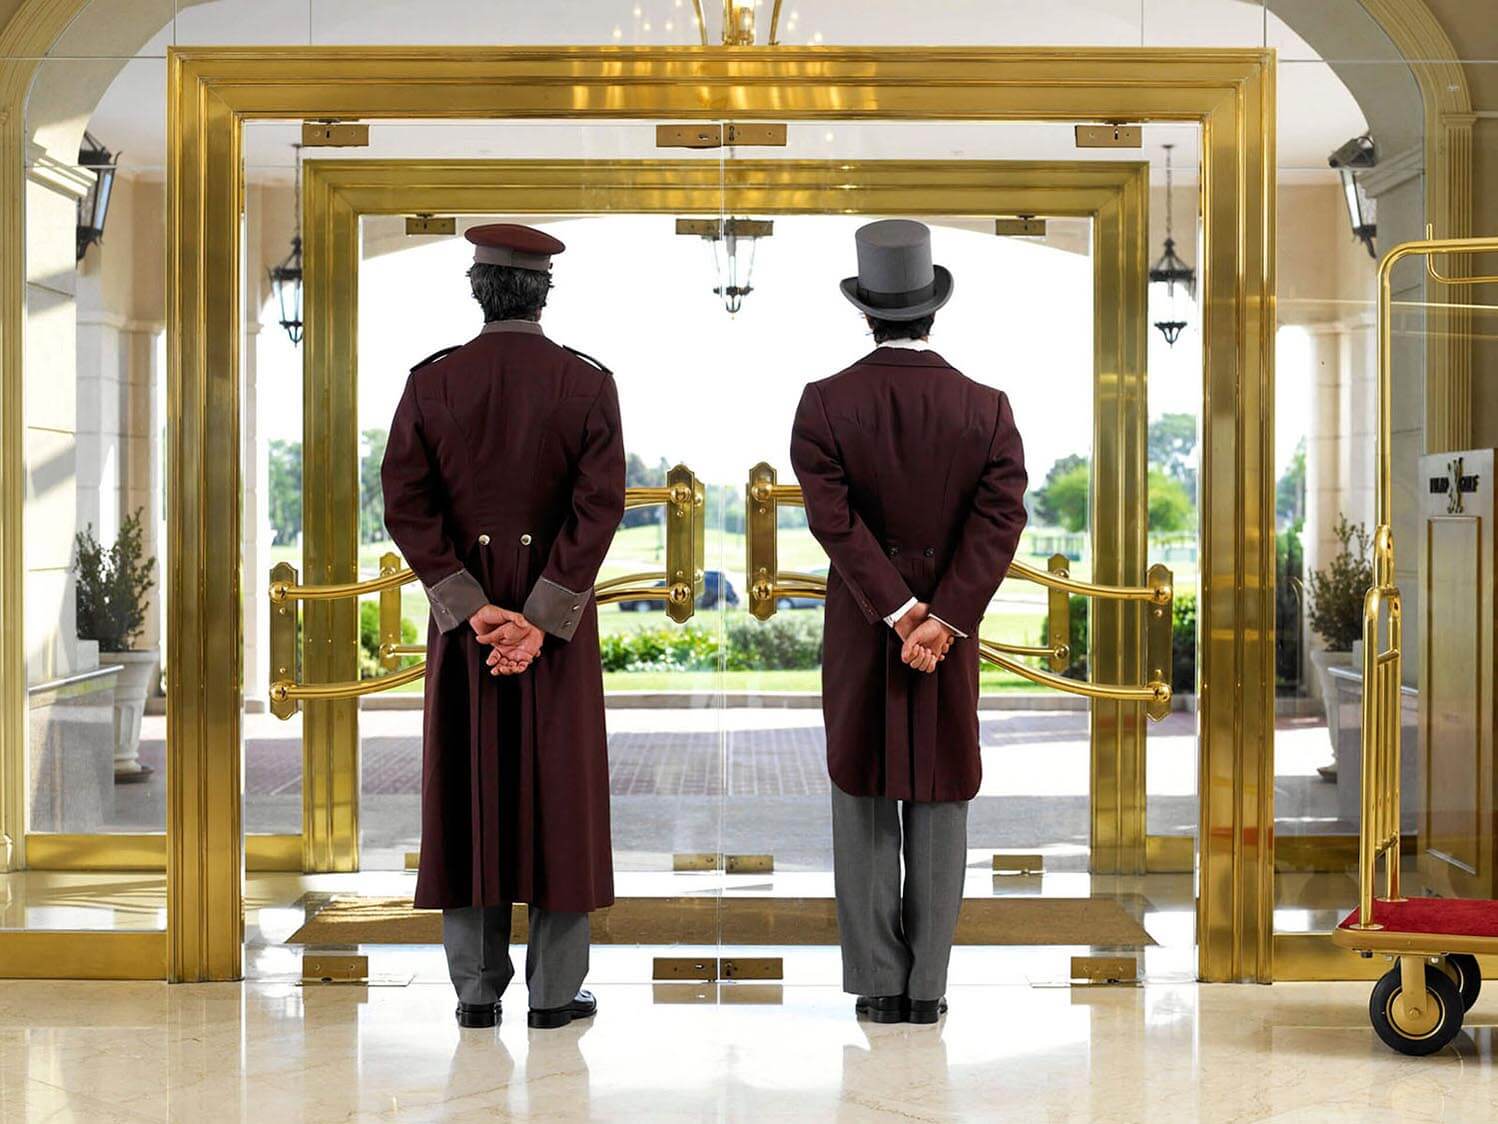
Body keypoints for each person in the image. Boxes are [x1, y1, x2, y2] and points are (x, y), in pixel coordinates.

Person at [381, 223, 626, 1030]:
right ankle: (556, 994)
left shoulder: (432, 382)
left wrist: (469, 605)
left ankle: (476, 992)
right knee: (561, 794)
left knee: (467, 790)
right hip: (553, 633)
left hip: (469, 630)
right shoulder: (589, 383)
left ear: (477, 290)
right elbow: (599, 509)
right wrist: (541, 619)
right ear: (544, 292)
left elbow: (406, 503)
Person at [790, 219, 1028, 1024]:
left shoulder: (824, 404)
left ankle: (879, 986)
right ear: (934, 310)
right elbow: (1000, 523)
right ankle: (928, 991)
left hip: (864, 629)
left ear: (866, 311)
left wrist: (895, 611)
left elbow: (835, 522)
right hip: (948, 640)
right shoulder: (988, 409)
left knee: (860, 794)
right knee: (941, 795)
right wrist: (944, 618)